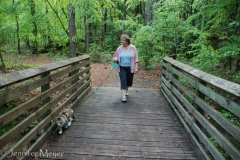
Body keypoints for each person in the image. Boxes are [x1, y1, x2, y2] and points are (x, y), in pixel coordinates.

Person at [113, 34, 139, 102]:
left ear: (127, 41)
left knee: (129, 81)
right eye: (121, 40)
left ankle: (127, 90)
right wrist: (115, 59)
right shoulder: (119, 48)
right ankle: (123, 96)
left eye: (123, 40)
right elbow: (115, 56)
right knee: (123, 80)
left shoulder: (133, 48)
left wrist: (136, 67)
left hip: (130, 67)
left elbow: (136, 58)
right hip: (122, 67)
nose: (121, 42)